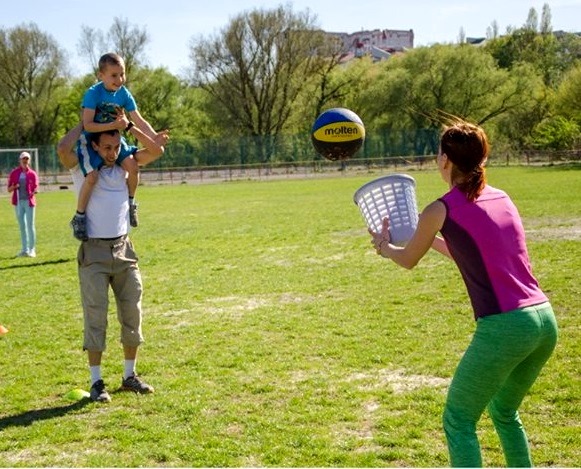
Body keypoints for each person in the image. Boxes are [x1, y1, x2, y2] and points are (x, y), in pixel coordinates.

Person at [368, 120, 558, 467]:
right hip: (544, 321)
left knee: (458, 419)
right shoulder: (501, 196)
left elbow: (408, 259)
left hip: (506, 326)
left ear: (444, 159)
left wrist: (384, 247)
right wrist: (426, 238)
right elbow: (475, 250)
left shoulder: (440, 209)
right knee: (504, 410)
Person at [57, 118, 169, 403]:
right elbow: (62, 148)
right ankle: (96, 383)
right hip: (93, 253)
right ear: (95, 146)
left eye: (116, 146)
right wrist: (86, 125)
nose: (111, 152)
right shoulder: (83, 169)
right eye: (106, 146)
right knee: (96, 317)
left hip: (123, 250)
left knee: (132, 313)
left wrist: (128, 126)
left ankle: (129, 376)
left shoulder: (124, 167)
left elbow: (155, 151)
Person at [71, 52, 159, 241]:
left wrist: (154, 136)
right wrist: (115, 125)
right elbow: (87, 125)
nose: (119, 79)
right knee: (92, 177)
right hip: (92, 140)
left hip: (115, 139)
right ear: (101, 75)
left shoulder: (124, 94)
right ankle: (79, 216)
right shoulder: (93, 93)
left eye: (122, 74)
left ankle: (131, 203)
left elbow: (139, 121)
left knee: (133, 167)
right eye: (114, 75)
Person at [7, 151, 39, 257]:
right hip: (18, 203)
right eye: (23, 159)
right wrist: (14, 187)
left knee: (30, 225)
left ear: (29, 160)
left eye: (27, 159)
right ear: (20, 160)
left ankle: (32, 249)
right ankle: (24, 249)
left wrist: (34, 192)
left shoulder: (33, 174)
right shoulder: (14, 173)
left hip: (29, 203)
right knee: (22, 226)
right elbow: (9, 189)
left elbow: (36, 188)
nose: (25, 161)